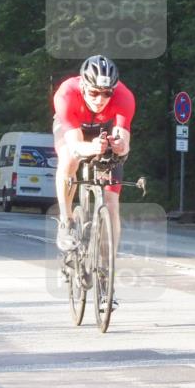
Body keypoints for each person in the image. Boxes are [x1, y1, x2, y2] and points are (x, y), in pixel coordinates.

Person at [53, 55, 135, 255]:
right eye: (94, 92)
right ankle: (66, 220)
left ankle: (108, 261)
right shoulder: (66, 94)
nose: (100, 100)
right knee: (68, 158)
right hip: (73, 128)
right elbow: (75, 146)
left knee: (111, 201)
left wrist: (119, 147)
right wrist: (92, 148)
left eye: (107, 93)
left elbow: (125, 144)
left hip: (104, 129)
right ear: (83, 86)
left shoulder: (124, 97)